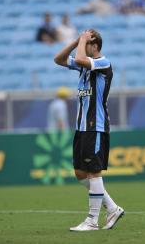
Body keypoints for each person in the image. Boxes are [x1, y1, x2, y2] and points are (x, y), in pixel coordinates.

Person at [54, 29, 124, 231]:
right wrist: (77, 41)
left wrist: (81, 42)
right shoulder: (83, 66)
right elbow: (58, 59)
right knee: (80, 172)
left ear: (95, 45)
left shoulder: (103, 63)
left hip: (96, 126)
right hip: (81, 127)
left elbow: (80, 58)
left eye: (86, 43)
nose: (83, 47)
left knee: (93, 172)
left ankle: (92, 220)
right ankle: (112, 208)